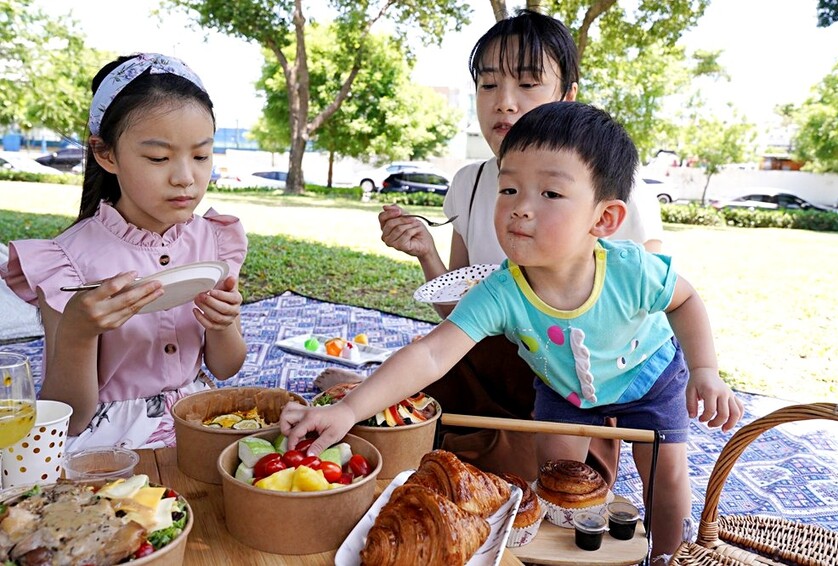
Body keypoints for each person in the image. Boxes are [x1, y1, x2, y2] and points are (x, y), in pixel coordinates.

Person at [282, 101, 744, 559]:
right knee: (557, 478)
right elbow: (431, 354)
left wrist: (705, 371)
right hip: (565, 391)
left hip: (651, 378)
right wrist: (348, 409)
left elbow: (685, 300)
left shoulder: (632, 270)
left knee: (666, 476)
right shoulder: (500, 291)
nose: (520, 208)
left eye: (550, 194)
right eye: (508, 189)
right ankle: (560, 555)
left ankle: (669, 556)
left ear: (603, 218)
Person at [315, 9, 663, 484]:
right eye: (489, 84)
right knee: (389, 431)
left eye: (528, 83)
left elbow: (649, 317)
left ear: (568, 96)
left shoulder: (613, 191)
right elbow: (456, 314)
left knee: (534, 479)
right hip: (476, 368)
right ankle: (374, 398)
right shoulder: (470, 182)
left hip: (567, 383)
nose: (504, 102)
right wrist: (426, 252)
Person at [0, 53, 248, 450]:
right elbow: (70, 417)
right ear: (106, 154)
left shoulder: (215, 241)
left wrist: (223, 324)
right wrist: (79, 332)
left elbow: (225, 367)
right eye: (158, 158)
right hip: (109, 448)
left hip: (199, 424)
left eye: (201, 156)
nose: (185, 177)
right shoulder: (66, 263)